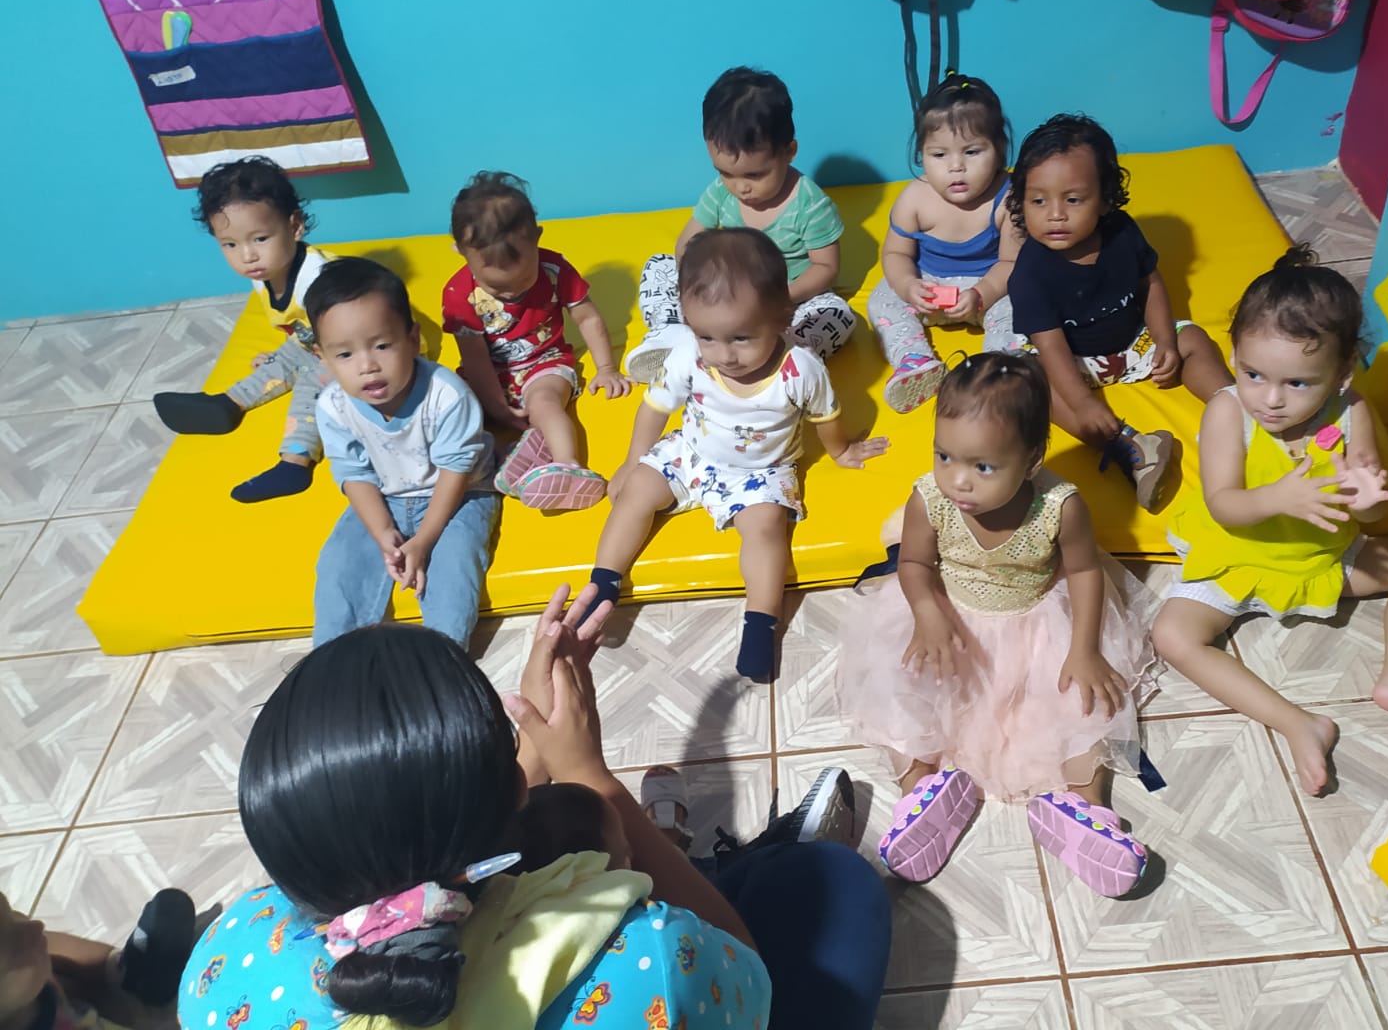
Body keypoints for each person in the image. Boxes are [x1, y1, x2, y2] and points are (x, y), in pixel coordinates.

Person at [179, 586, 892, 1030]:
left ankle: (672, 854)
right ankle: (676, 857)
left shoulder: (229, 954)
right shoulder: (651, 961)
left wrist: (523, 756)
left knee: (570, 830)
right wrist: (591, 776)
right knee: (833, 884)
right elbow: (745, 975)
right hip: (705, 983)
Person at [1152, 246, 1388, 797]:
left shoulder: (1352, 411)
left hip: (1320, 556)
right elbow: (1224, 505)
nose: (1271, 400)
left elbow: (1371, 510)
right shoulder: (1228, 411)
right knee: (1171, 635)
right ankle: (1297, 723)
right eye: (1253, 373)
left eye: (1298, 383)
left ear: (1342, 373)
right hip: (1236, 558)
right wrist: (1279, 496)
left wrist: (1367, 498)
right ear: (1233, 355)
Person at [839, 353, 1160, 893]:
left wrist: (1084, 649)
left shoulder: (1061, 507)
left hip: (1038, 624)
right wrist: (926, 614)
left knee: (1083, 707)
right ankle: (920, 795)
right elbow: (913, 563)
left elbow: (1085, 572)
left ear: (1032, 458)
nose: (958, 480)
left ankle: (1086, 812)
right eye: (944, 455)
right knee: (901, 686)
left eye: (983, 467)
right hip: (948, 619)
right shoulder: (930, 498)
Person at [590, 228, 888, 682]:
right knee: (635, 494)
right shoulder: (688, 355)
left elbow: (825, 415)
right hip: (691, 451)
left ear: (782, 317)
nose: (724, 355)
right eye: (707, 336)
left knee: (766, 530)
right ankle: (603, 584)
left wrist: (843, 449)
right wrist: (633, 462)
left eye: (742, 338)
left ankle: (761, 624)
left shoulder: (801, 368)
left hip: (762, 471)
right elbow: (654, 408)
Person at [1005, 115, 1232, 510]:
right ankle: (1131, 447)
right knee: (1026, 382)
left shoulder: (1122, 233)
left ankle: (1237, 410)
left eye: (1073, 200)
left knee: (1193, 338)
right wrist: (1083, 403)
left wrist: (1165, 341)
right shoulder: (1029, 274)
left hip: (1134, 341)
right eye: (1038, 200)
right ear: (1021, 202)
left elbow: (1151, 284)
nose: (1055, 214)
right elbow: (1052, 348)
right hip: (1074, 363)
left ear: (1106, 199)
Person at [308, 257, 499, 648]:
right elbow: (354, 473)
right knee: (338, 566)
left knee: (454, 569)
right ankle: (333, 662)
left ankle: (442, 662)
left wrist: (424, 540)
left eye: (382, 346)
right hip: (385, 496)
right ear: (322, 357)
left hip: (463, 493)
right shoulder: (332, 406)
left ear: (413, 340)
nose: (367, 366)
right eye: (344, 355)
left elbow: (455, 471)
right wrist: (383, 532)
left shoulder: (447, 395)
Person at [623, 67, 857, 382]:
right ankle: (674, 334)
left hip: (783, 302)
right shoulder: (722, 193)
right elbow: (687, 242)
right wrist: (697, 291)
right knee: (659, 265)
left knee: (837, 314)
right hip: (722, 292)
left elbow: (826, 267)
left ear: (788, 152)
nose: (740, 187)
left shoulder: (810, 204)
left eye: (754, 175)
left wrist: (778, 300)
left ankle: (778, 355)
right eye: (725, 173)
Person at [443, 171, 630, 512]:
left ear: (537, 238)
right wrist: (497, 407)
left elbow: (587, 318)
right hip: (487, 376)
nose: (512, 292)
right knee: (457, 413)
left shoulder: (555, 269)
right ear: (461, 252)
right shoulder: (459, 294)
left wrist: (606, 368)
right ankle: (509, 459)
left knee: (545, 403)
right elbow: (475, 359)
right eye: (497, 287)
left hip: (544, 364)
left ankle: (567, 465)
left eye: (524, 278)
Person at [153, 156, 335, 504]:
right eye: (231, 244)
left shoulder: (318, 279)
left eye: (260, 238)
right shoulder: (265, 275)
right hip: (318, 342)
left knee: (313, 382)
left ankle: (295, 463)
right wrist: (290, 351)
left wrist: (323, 360)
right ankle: (228, 404)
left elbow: (354, 329)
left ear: (295, 226)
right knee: (283, 360)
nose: (247, 255)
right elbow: (300, 326)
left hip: (365, 347)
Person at [866, 73, 1027, 413]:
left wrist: (982, 293)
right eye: (939, 154)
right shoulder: (914, 198)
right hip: (928, 288)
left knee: (1022, 301)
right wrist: (908, 285)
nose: (956, 167)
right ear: (921, 154)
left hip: (987, 288)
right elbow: (895, 253)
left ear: (999, 150)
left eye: (972, 151)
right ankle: (914, 360)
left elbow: (1011, 263)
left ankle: (998, 367)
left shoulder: (1008, 198)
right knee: (882, 300)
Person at [2, 887, 194, 1030]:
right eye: (15, 945)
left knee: (48, 949)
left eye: (10, 912)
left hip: (66, 1006)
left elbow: (46, 945)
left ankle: (126, 970)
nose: (37, 925)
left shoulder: (24, 977)